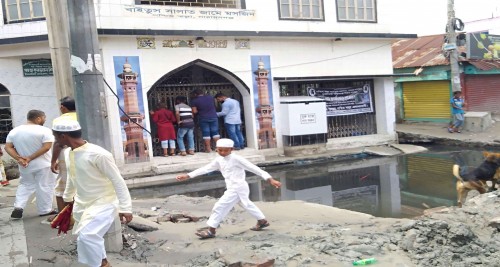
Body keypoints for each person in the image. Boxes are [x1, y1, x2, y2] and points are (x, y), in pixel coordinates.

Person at [52, 119, 133, 267]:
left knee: (88, 236)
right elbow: (72, 175)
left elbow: (118, 181)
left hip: (104, 202)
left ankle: (100, 265)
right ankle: (103, 263)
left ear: (63, 136)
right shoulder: (68, 153)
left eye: (56, 136)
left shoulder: (99, 154)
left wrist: (125, 207)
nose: (55, 140)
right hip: (83, 203)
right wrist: (67, 197)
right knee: (89, 238)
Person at [176, 138, 281, 239]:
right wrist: (188, 175)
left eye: (225, 150)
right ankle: (262, 221)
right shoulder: (219, 160)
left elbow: (254, 168)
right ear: (216, 149)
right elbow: (206, 169)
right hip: (233, 187)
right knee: (246, 204)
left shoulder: (237, 159)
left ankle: (211, 231)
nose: (222, 152)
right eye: (219, 150)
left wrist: (270, 179)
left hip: (237, 187)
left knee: (220, 206)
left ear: (232, 149)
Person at [5, 110, 56, 219]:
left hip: (25, 166)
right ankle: (45, 210)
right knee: (44, 186)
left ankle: (18, 206)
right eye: (44, 118)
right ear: (38, 118)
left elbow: (8, 147)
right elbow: (46, 147)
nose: (45, 120)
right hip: (43, 164)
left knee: (25, 184)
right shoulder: (44, 130)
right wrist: (29, 158)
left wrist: (19, 159)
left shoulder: (15, 131)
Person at [51, 96, 77, 218]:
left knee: (62, 188)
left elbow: (58, 143)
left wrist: (53, 161)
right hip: (83, 153)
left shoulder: (59, 120)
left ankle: (65, 219)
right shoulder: (83, 115)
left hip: (66, 155)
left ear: (63, 107)